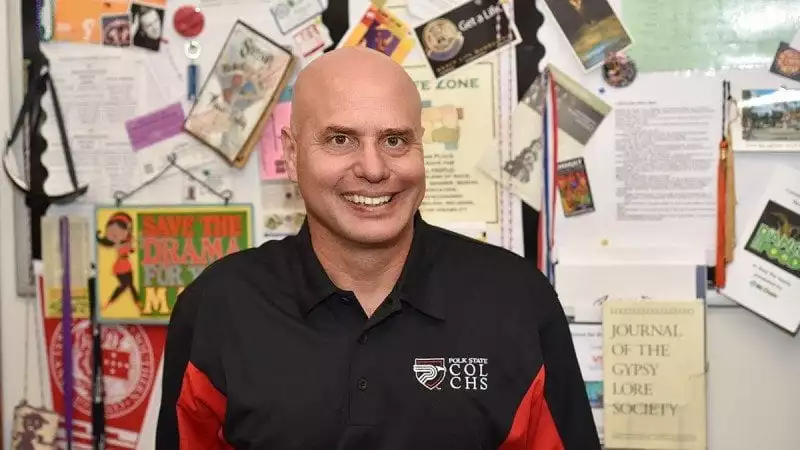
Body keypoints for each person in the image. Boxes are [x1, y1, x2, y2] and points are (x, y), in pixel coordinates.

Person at [155, 46, 600, 449]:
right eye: (340, 139)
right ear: (291, 156)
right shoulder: (218, 305)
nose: (373, 168)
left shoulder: (517, 299)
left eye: (395, 140)